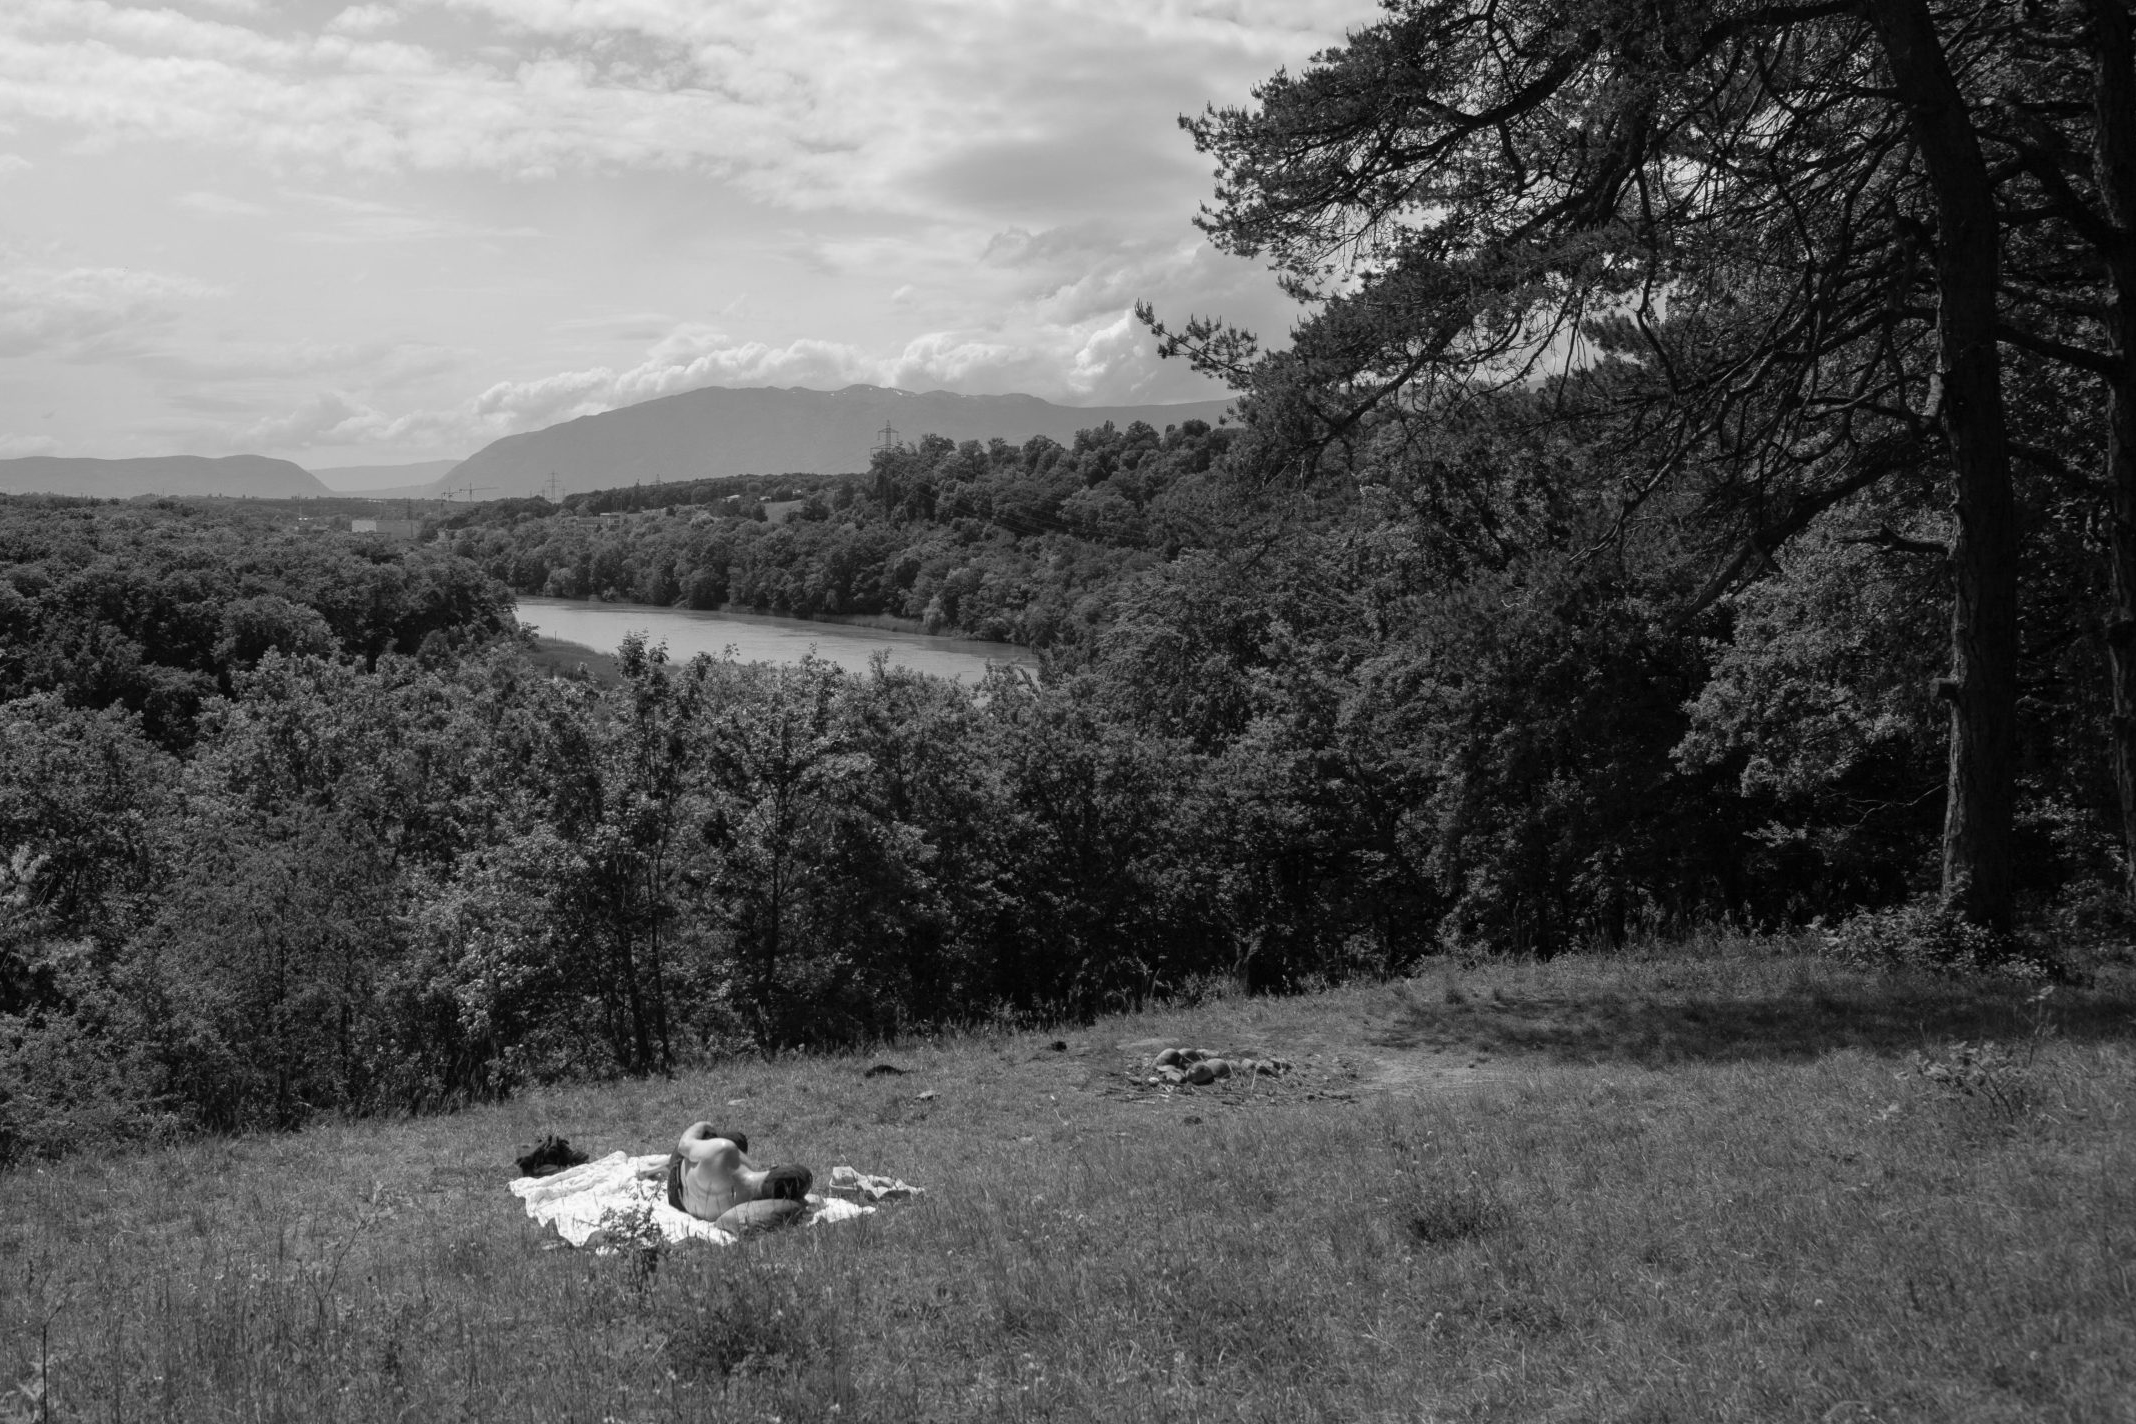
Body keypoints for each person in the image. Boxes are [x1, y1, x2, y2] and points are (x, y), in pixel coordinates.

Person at [662, 1123, 813, 1230]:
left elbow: (683, 1145)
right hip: (680, 1202)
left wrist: (703, 1125)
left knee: (737, 1138)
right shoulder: (747, 1207)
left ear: (774, 1167)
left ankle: (664, 1163)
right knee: (736, 1141)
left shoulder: (724, 1151)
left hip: (676, 1174)